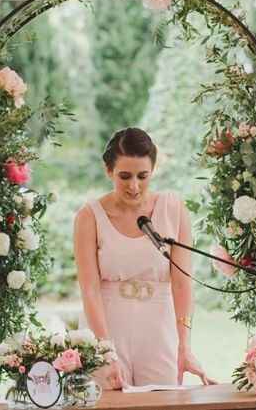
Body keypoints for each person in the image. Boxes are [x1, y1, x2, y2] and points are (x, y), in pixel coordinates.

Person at [73, 127, 217, 390]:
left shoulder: (173, 208)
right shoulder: (89, 216)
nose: (134, 186)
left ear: (153, 170)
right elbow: (89, 290)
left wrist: (184, 346)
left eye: (143, 176)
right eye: (124, 176)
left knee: (163, 402)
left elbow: (182, 283)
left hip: (159, 329)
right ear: (108, 171)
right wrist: (105, 351)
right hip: (107, 328)